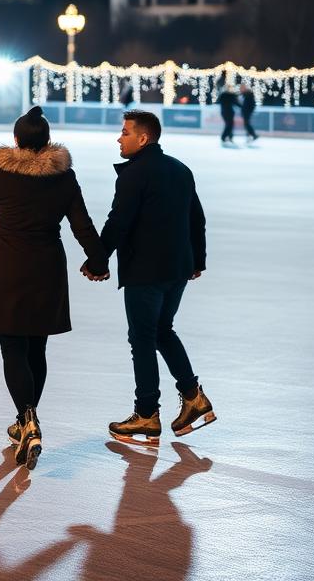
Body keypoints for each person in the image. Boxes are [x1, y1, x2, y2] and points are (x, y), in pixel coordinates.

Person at [0, 106, 109, 471]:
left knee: (13, 349)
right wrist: (98, 261)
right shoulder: (63, 178)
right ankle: (25, 421)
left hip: (7, 269)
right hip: (47, 269)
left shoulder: (1, 173)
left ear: (17, 140)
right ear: (48, 142)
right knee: (37, 347)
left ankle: (27, 419)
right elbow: (82, 224)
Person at [87, 110, 214, 446]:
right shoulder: (181, 169)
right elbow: (196, 220)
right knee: (161, 331)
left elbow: (119, 222)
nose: (119, 137)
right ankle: (193, 397)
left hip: (146, 271)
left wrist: (97, 260)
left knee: (142, 339)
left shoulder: (135, 174)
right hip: (178, 269)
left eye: (125, 132)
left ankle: (146, 414)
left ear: (143, 138)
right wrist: (196, 260)